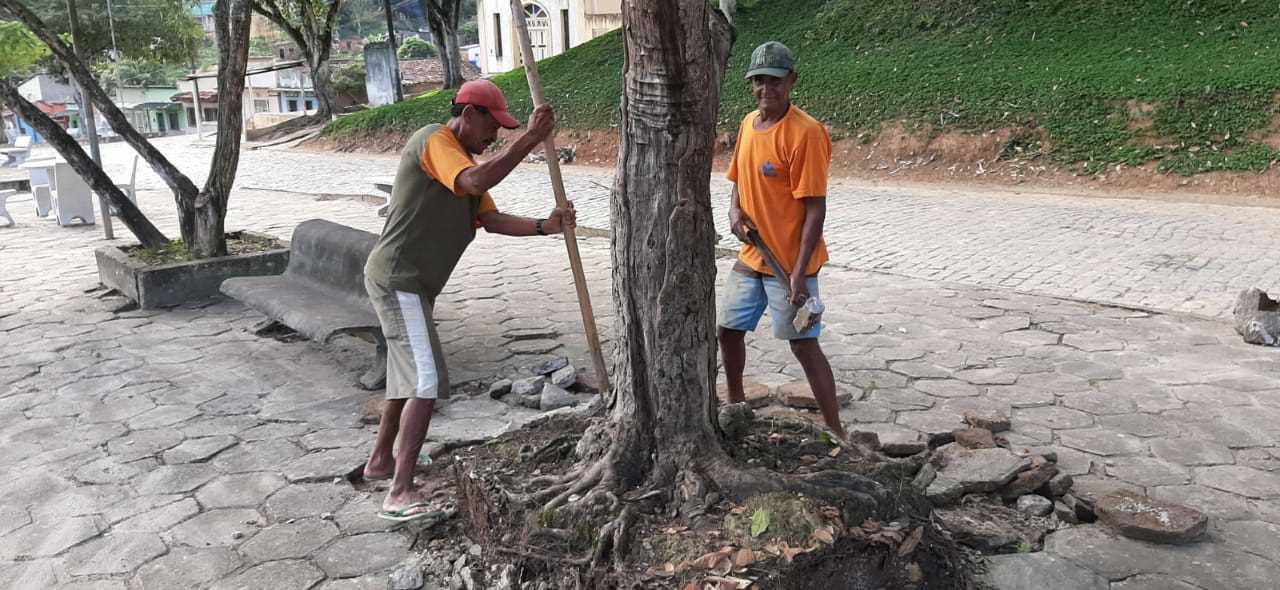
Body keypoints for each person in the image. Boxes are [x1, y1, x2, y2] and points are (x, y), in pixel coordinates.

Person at [361, 79, 576, 521]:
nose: (494, 135)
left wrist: (545, 226)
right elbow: (475, 180)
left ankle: (381, 462)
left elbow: (490, 218)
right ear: (469, 114)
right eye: (491, 125)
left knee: (407, 378)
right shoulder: (434, 141)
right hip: (398, 278)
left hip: (412, 284)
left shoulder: (461, 158)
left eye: (502, 129)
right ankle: (399, 493)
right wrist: (530, 139)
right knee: (425, 379)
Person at [718, 41, 846, 440]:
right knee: (728, 329)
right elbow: (738, 178)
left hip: (791, 264)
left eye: (774, 80)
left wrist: (798, 275)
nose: (765, 88)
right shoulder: (746, 125)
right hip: (753, 254)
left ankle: (835, 428)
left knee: (803, 344)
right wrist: (735, 211)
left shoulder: (806, 134)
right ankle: (735, 405)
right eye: (758, 80)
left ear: (792, 80)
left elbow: (815, 209)